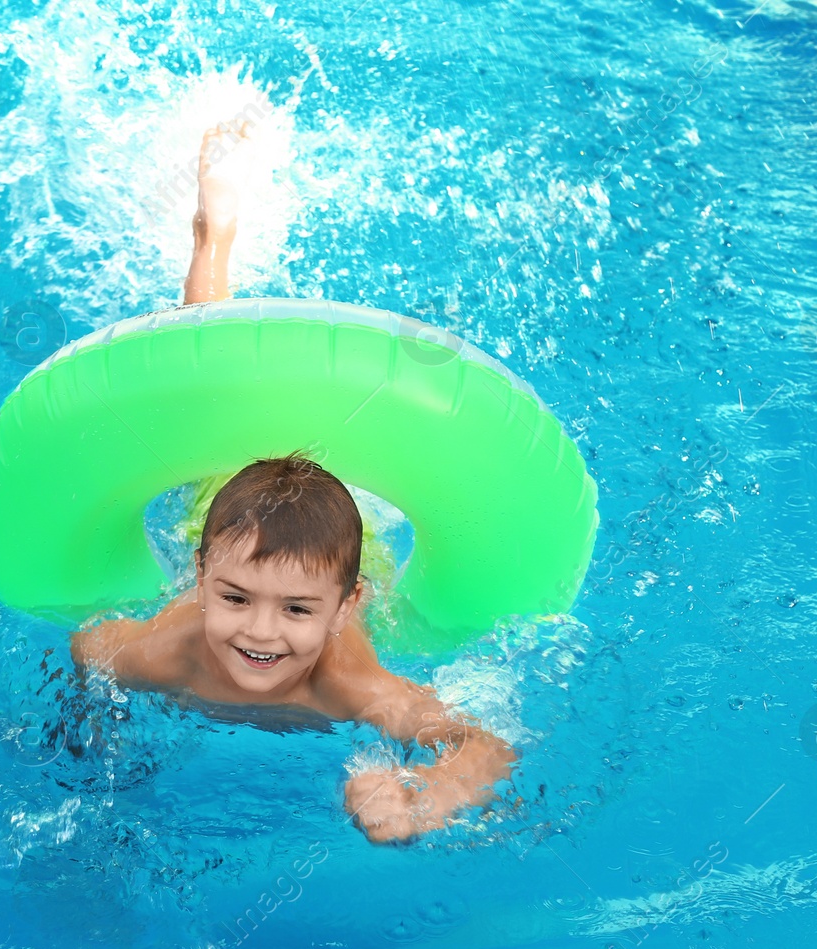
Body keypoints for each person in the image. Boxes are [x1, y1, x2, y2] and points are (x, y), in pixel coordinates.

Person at [69, 121, 518, 844]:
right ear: (199, 576)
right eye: (235, 596)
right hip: (234, 501)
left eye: (299, 611)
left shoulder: (350, 681)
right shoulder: (162, 649)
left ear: (347, 606)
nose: (260, 629)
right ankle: (211, 237)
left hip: (337, 534)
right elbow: (88, 650)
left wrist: (422, 799)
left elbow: (486, 748)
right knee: (208, 361)